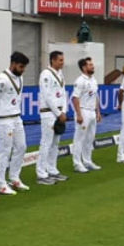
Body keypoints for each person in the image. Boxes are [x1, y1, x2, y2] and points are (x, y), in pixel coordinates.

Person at [0, 51, 30, 194]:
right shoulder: (2, 79)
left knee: (22, 147)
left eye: (24, 67)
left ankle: (14, 177)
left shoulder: (20, 78)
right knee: (5, 150)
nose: (22, 70)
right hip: (3, 119)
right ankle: (0, 184)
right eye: (20, 67)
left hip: (16, 117)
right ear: (13, 64)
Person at [37, 50, 70, 183]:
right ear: (53, 60)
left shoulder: (60, 74)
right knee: (46, 143)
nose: (63, 62)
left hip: (59, 113)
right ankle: (41, 173)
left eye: (63, 59)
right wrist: (58, 112)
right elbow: (48, 96)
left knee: (55, 143)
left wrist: (64, 111)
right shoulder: (46, 74)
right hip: (48, 113)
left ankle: (52, 169)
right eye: (60, 60)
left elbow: (62, 94)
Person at [71, 57, 102, 173]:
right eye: (90, 65)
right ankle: (77, 163)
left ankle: (87, 161)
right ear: (84, 67)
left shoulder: (93, 79)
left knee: (90, 138)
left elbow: (96, 96)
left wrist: (98, 112)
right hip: (83, 110)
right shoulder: (80, 81)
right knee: (79, 138)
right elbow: (75, 98)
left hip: (92, 112)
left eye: (92, 64)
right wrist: (79, 114)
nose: (92, 66)